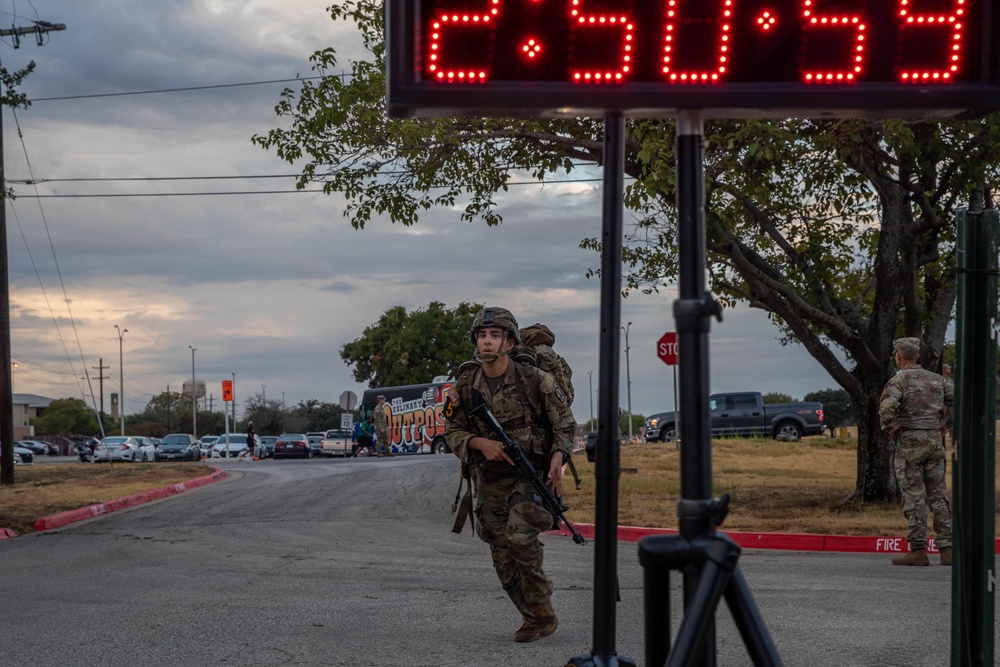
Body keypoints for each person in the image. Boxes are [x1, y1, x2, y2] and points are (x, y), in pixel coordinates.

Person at [444, 306, 575, 643]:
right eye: (482, 335)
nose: (487, 341)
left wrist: (558, 458)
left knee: (519, 535)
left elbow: (564, 424)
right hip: (488, 478)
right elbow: (452, 431)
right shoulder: (465, 385)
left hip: (529, 475)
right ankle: (534, 617)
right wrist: (478, 443)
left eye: (495, 336)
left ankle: (541, 604)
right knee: (502, 555)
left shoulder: (534, 380)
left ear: (510, 342)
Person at [879, 337, 954, 566]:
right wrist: (945, 426)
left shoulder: (899, 380)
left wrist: (890, 427)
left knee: (913, 495)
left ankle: (918, 550)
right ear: (918, 356)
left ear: (898, 356)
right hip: (934, 440)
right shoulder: (939, 380)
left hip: (910, 442)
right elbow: (957, 401)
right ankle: (947, 549)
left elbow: (887, 407)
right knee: (938, 494)